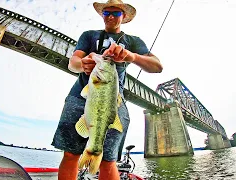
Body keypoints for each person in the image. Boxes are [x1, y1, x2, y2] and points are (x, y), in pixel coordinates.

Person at [51, 0, 163, 179]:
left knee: (108, 160)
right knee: (70, 154)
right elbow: (73, 63)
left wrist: (131, 56)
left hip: (114, 102)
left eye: (116, 13)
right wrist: (83, 65)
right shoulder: (88, 36)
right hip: (78, 98)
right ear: (102, 15)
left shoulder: (133, 41)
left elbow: (157, 66)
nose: (110, 16)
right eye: (106, 13)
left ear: (123, 16)